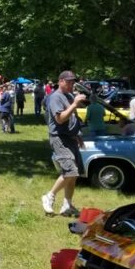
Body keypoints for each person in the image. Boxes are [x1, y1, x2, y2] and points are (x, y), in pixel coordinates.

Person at [41, 71, 87, 218]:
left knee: (75, 174)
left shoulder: (69, 96)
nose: (71, 84)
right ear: (60, 81)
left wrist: (78, 135)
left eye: (73, 82)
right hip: (59, 138)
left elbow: (73, 117)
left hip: (71, 138)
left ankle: (67, 205)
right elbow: (60, 119)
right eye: (68, 82)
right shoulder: (55, 97)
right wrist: (74, 104)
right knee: (70, 171)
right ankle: (49, 196)